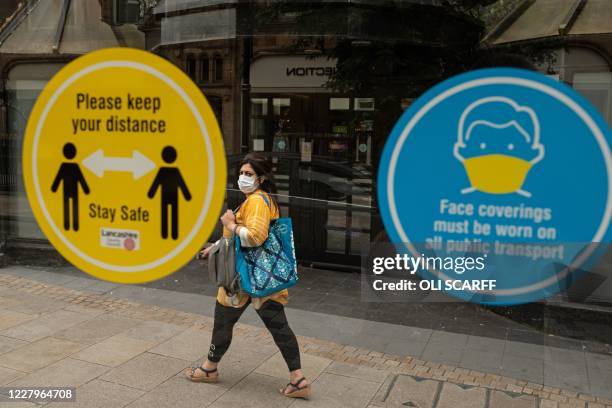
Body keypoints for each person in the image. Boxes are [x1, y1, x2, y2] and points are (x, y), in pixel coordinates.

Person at [185, 152, 310, 399]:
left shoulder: (256, 201)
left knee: (225, 320)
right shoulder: (256, 199)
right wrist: (218, 245)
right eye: (241, 173)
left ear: (261, 178)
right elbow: (242, 235)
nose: (243, 177)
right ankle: (298, 379)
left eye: (249, 174)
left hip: (246, 277)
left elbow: (255, 236)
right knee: (275, 326)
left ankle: (210, 369)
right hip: (259, 277)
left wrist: (231, 225)